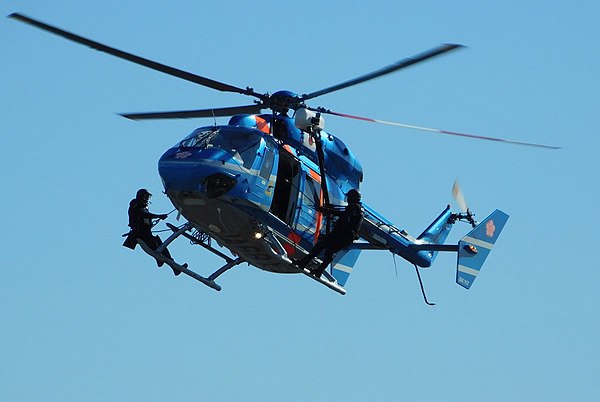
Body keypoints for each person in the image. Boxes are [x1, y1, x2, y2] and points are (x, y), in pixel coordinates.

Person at [295, 189, 364, 278]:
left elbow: (344, 216)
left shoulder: (353, 208)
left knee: (319, 247)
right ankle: (319, 271)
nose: (348, 199)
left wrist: (327, 210)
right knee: (329, 252)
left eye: (349, 197)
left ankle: (303, 263)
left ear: (352, 198)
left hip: (341, 235)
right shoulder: (358, 209)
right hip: (347, 237)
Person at [123, 188, 182, 276]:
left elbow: (146, 217)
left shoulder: (144, 207)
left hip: (146, 233)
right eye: (146, 196)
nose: (147, 198)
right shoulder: (134, 204)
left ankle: (174, 267)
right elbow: (142, 215)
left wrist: (156, 218)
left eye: (148, 197)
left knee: (161, 246)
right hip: (140, 233)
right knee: (157, 248)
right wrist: (158, 216)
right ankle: (164, 262)